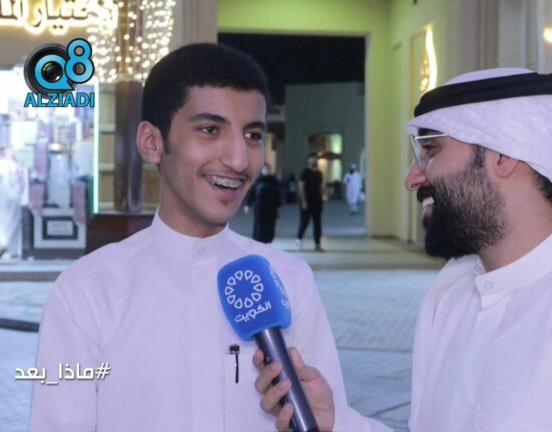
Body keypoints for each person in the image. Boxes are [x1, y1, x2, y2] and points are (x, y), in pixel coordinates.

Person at [253, 69, 552, 431]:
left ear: (504, 155)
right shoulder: (451, 295)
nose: (413, 178)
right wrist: (339, 423)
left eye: (431, 151)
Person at [31, 43, 379, 432]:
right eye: (210, 130)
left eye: (252, 134)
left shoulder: (289, 280)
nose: (239, 160)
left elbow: (328, 416)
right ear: (152, 142)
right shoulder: (85, 292)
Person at [244, 163, 281, 243]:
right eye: (265, 169)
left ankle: (268, 239)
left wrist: (278, 207)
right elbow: (252, 193)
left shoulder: (274, 181)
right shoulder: (258, 180)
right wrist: (247, 204)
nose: (266, 171)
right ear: (262, 170)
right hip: (260, 207)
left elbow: (277, 194)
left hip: (271, 207)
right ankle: (257, 239)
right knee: (259, 224)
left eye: (268, 169)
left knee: (270, 224)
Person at [296, 155, 324, 251]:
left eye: (315, 159)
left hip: (317, 202)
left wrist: (322, 198)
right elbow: (301, 186)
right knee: (304, 222)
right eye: (312, 159)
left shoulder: (319, 173)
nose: (314, 161)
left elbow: (320, 187)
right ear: (309, 161)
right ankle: (299, 240)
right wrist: (304, 201)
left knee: (317, 224)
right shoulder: (305, 172)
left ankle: (317, 244)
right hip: (307, 202)